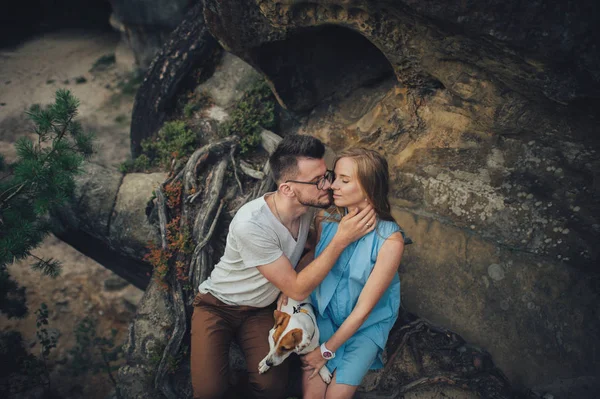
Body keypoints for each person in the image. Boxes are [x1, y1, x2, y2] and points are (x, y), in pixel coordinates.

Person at [190, 135, 377, 399]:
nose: (328, 185)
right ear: (288, 189)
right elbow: (298, 289)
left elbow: (312, 249)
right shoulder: (251, 225)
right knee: (210, 391)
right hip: (218, 305)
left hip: (262, 310)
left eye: (328, 175)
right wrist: (341, 240)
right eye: (318, 181)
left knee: (271, 388)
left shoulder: (311, 206)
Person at [300, 148, 409, 399]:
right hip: (325, 316)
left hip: (365, 328)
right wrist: (292, 287)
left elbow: (363, 312)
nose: (333, 185)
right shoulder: (326, 219)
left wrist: (325, 352)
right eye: (335, 177)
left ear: (370, 187)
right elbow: (313, 256)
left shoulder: (390, 240)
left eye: (344, 180)